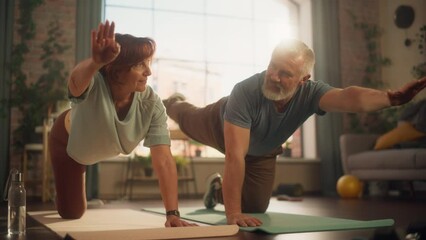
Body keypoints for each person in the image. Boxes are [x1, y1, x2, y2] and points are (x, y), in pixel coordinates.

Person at [163, 39, 426, 227]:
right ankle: (172, 103)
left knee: (255, 207)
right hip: (220, 125)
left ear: (304, 79)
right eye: (272, 66)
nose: (274, 76)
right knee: (187, 118)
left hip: (263, 150)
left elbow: (350, 98)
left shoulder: (311, 94)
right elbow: (235, 157)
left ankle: (217, 188)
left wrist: (391, 98)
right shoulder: (245, 91)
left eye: (285, 73)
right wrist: (232, 215)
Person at [49, 20, 196, 227]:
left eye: (149, 63)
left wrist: (172, 213)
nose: (149, 72)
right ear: (116, 71)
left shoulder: (151, 104)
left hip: (96, 143)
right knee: (72, 213)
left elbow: (163, 159)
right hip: (67, 142)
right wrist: (95, 62)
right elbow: (74, 84)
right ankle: (63, 188)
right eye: (139, 65)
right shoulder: (94, 83)